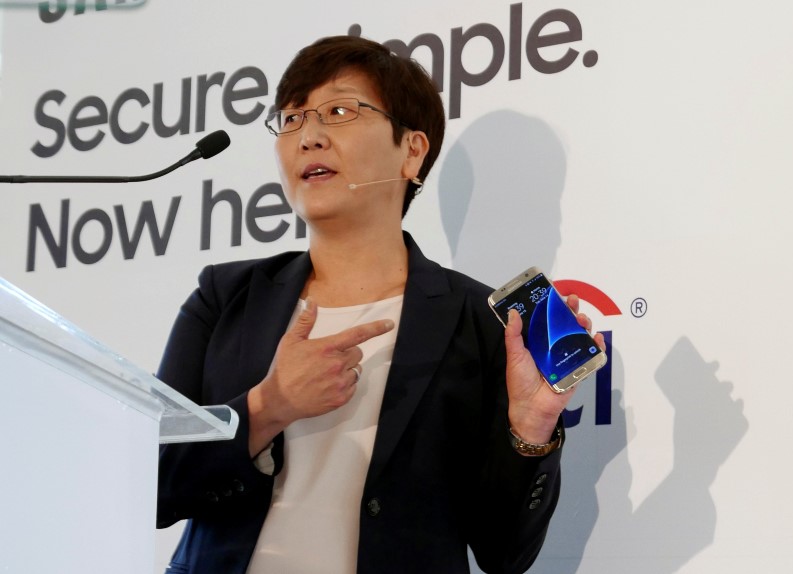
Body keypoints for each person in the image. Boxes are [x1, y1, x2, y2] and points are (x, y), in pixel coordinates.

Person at [156, 35, 605, 574]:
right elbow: (152, 484)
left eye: (339, 111)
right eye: (292, 118)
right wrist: (267, 406)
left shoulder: (480, 321)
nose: (308, 137)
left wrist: (529, 431)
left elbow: (504, 553)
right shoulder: (225, 297)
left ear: (412, 150)